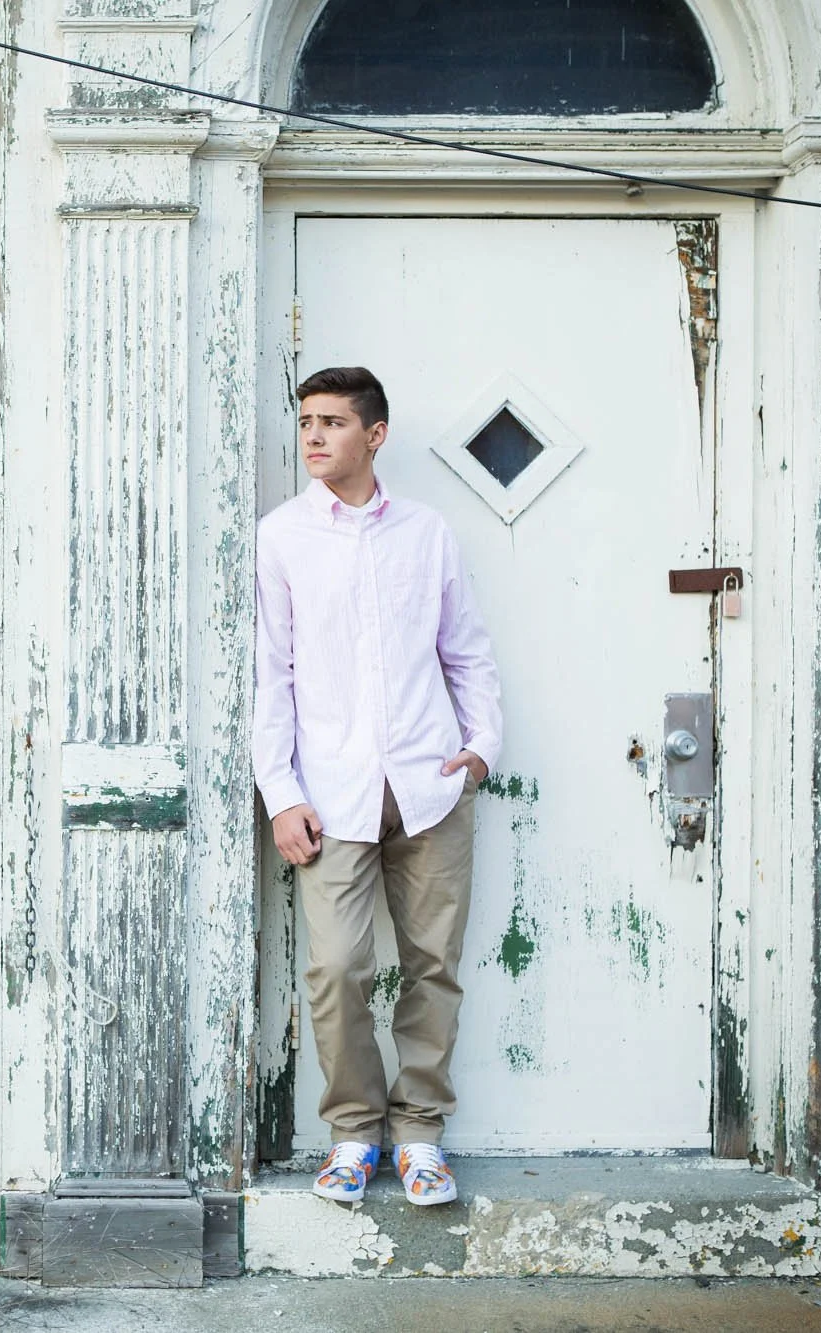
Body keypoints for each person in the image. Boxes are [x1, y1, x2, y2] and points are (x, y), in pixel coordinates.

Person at [254, 366, 503, 1207]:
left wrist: (481, 750)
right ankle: (355, 1131)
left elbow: (466, 651)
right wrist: (279, 792)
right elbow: (271, 676)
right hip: (330, 793)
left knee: (434, 963)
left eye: (332, 422)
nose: (314, 436)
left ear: (375, 433)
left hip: (430, 787)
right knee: (335, 968)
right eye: (307, 421)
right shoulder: (283, 536)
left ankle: (422, 1132)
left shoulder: (427, 533)